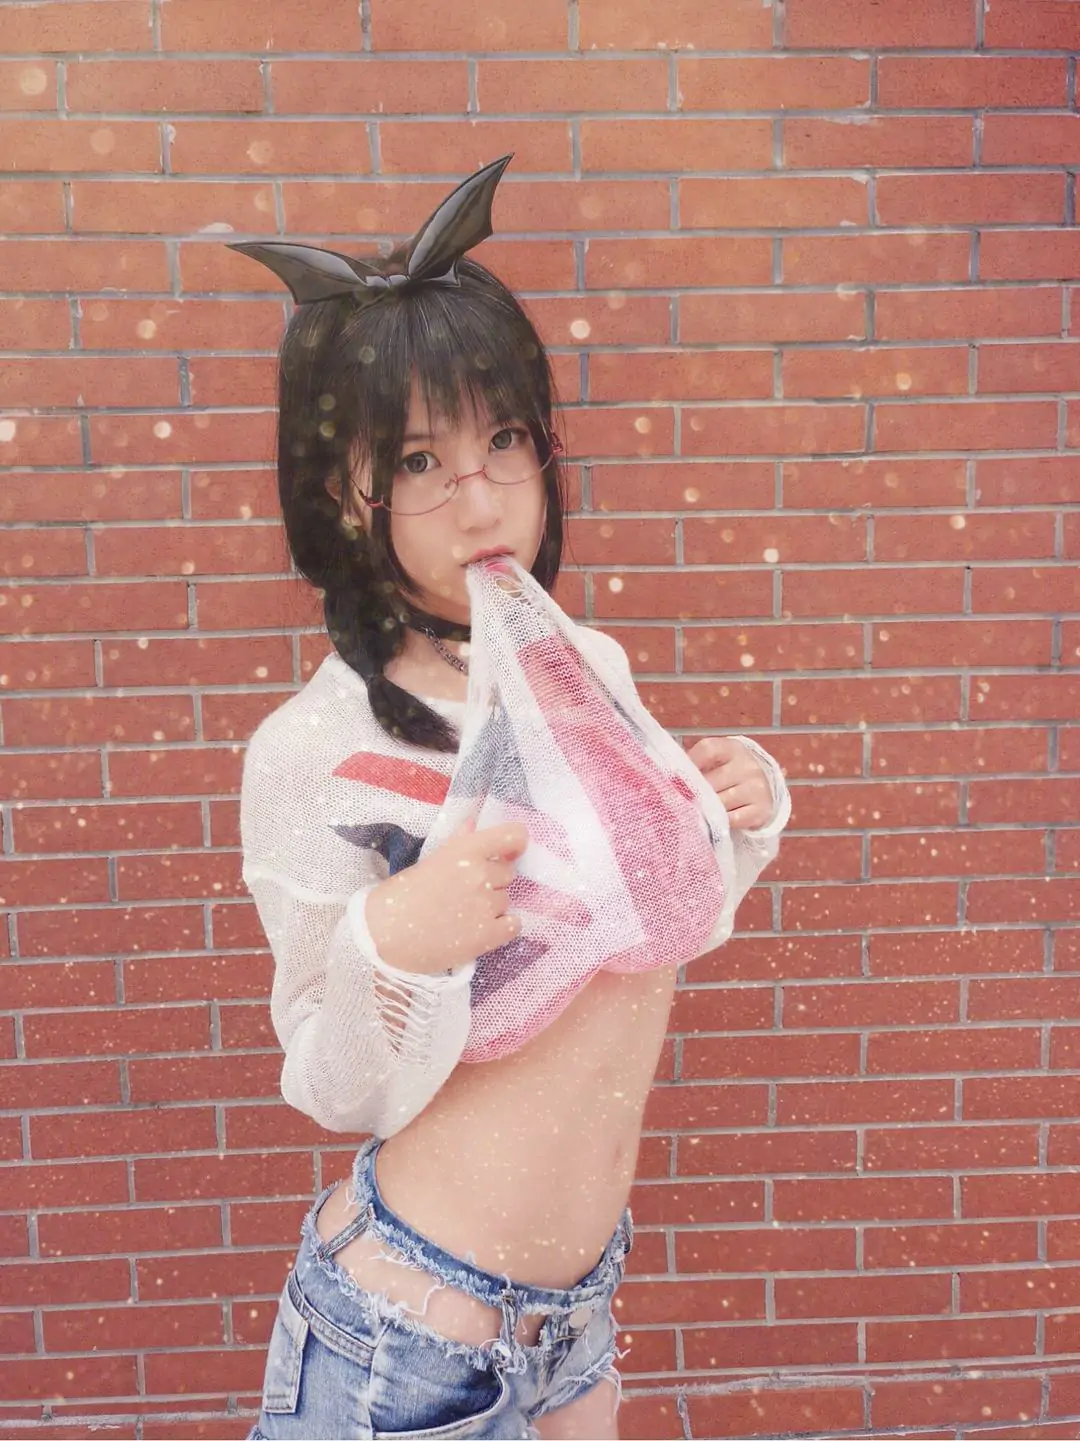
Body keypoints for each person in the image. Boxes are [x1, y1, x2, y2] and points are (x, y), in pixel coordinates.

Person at [235, 156, 792, 1440]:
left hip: (574, 1320)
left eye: (504, 440)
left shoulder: (582, 669)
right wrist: (393, 939)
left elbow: (645, 926)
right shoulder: (312, 744)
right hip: (407, 1334)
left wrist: (740, 807)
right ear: (344, 496)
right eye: (418, 459)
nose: (481, 495)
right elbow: (330, 1081)